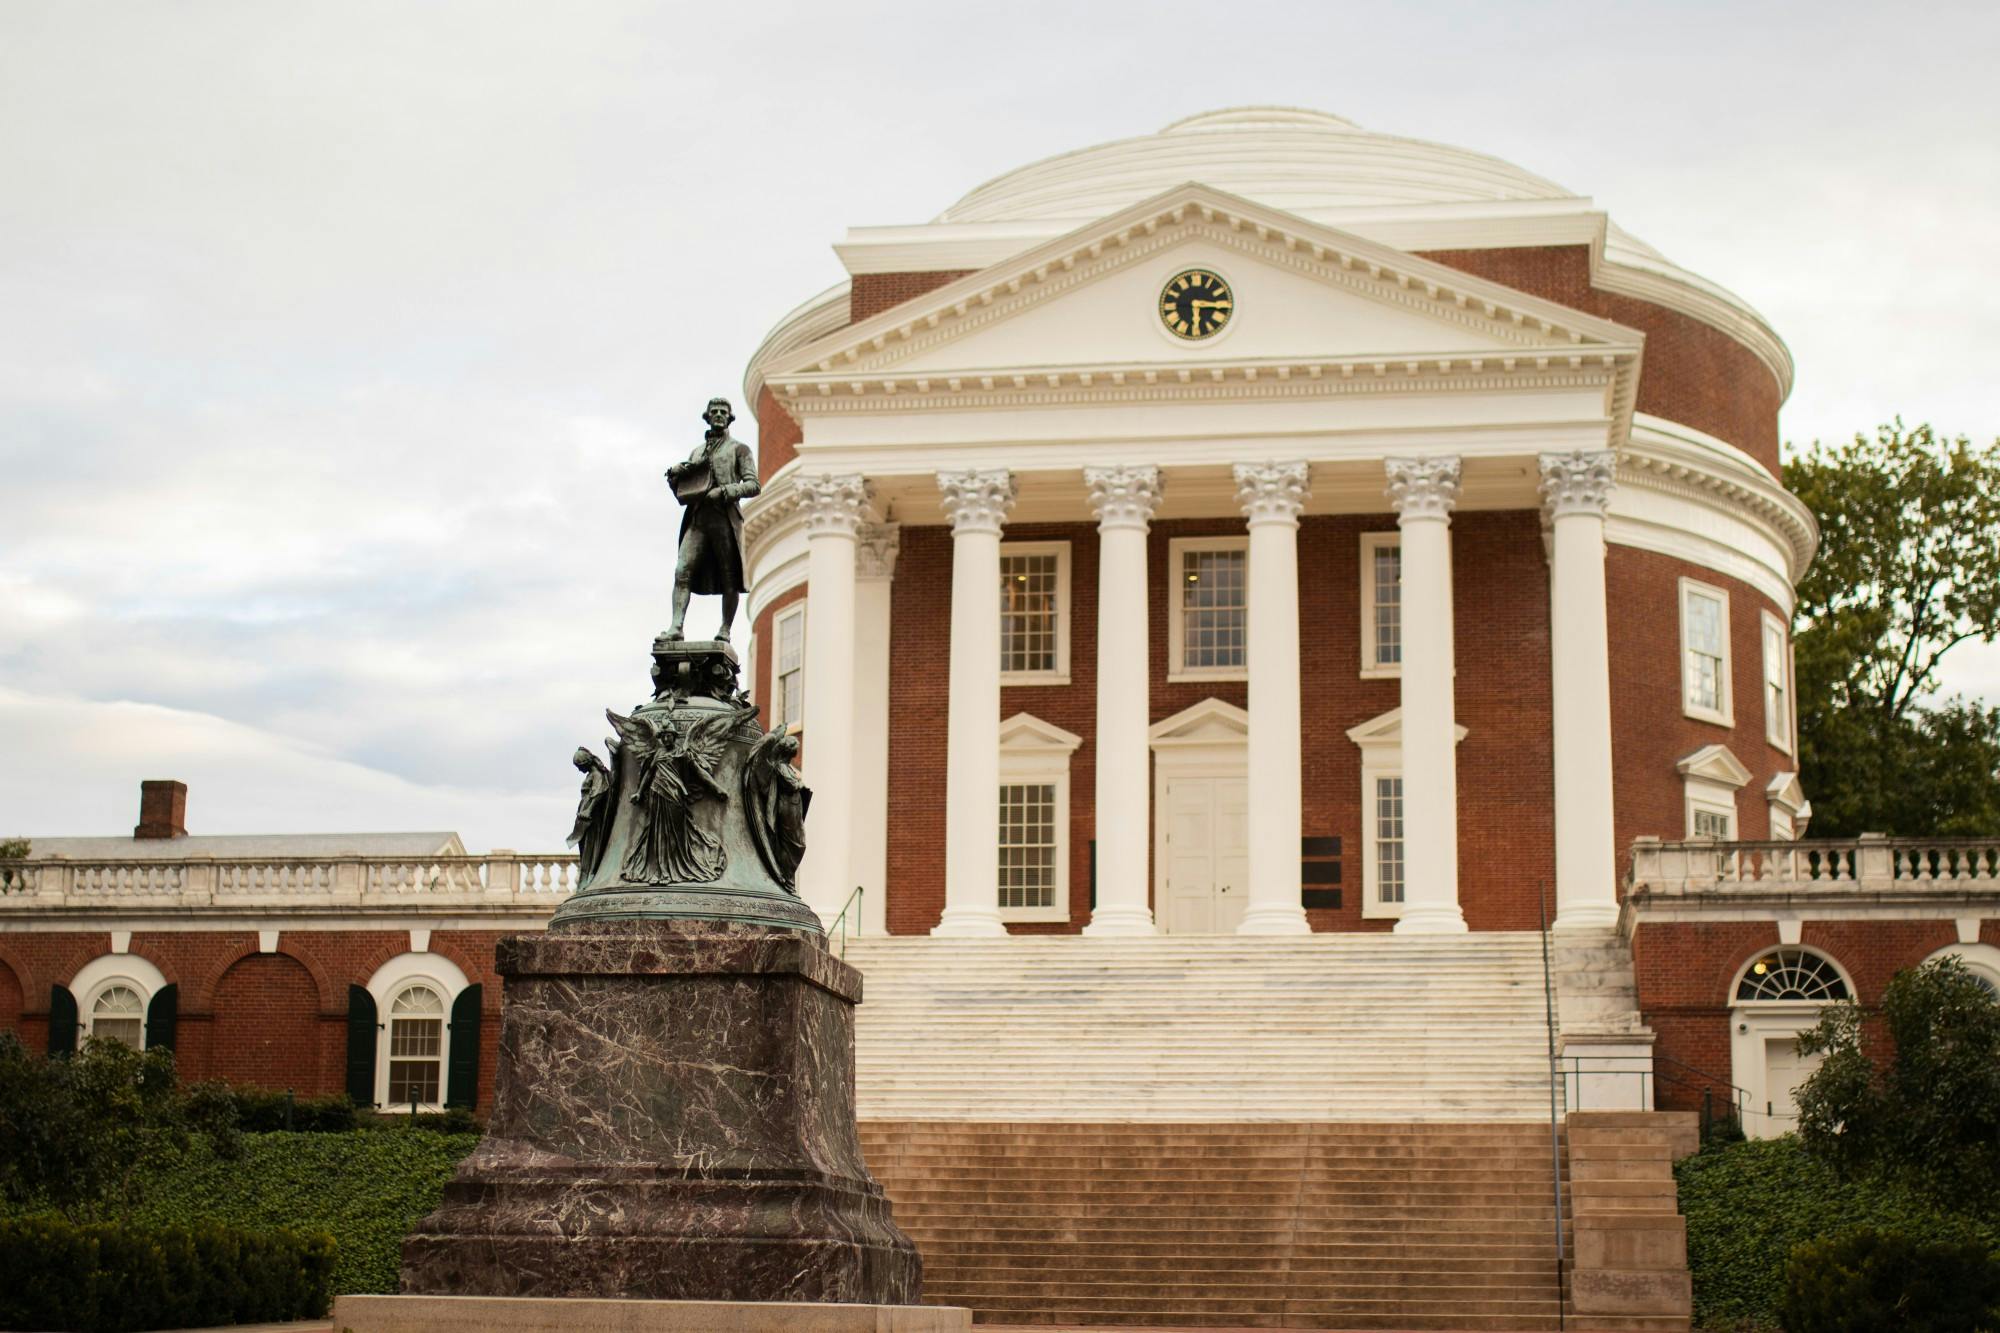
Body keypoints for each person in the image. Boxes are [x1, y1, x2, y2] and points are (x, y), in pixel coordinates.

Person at [664, 397, 760, 642]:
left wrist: (725, 491)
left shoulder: (739, 449)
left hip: (724, 518)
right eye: (714, 411)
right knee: (682, 570)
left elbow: (753, 485)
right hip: (698, 518)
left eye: (723, 412)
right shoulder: (697, 452)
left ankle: (725, 629)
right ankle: (676, 626)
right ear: (707, 417)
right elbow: (689, 488)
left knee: (729, 576)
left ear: (729, 418)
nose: (718, 414)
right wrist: (676, 478)